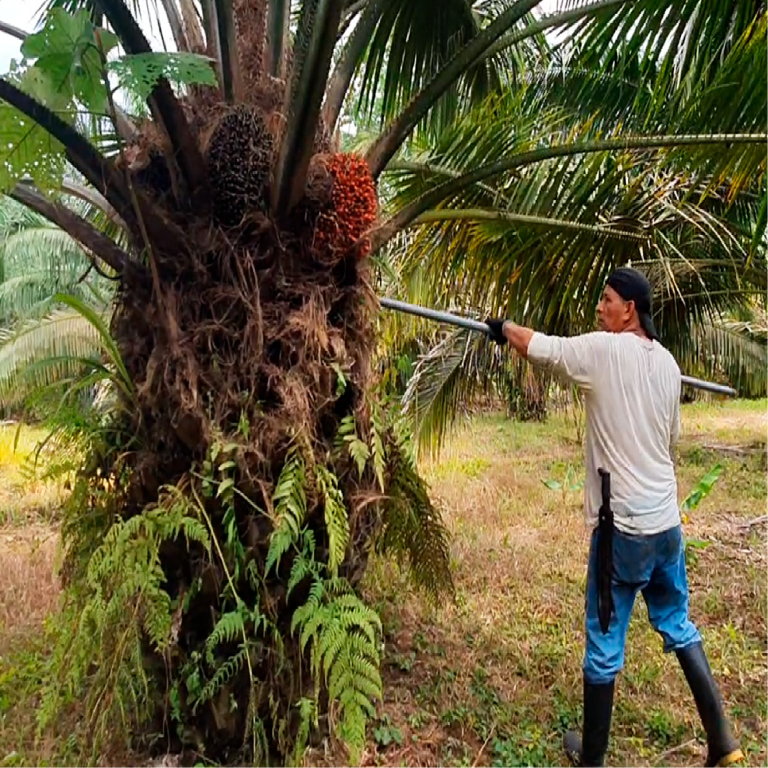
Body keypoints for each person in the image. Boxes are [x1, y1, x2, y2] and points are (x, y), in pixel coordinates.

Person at [485, 266, 743, 768]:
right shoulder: (668, 364)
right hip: (665, 522)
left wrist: (502, 329)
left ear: (630, 309)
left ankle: (593, 760)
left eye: (606, 300)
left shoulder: (603, 352)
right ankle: (724, 743)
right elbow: (670, 444)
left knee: (604, 639)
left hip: (621, 527)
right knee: (677, 622)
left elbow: (544, 349)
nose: (600, 308)